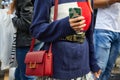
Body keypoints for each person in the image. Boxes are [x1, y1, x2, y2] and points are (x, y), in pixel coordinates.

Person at [30, 0, 101, 79]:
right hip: (57, 67)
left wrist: (93, 63)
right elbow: (36, 29)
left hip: (83, 68)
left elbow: (89, 35)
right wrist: (65, 25)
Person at [7, 0, 40, 79]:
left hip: (26, 43)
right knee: (20, 72)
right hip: (33, 40)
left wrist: (11, 17)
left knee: (27, 74)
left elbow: (27, 24)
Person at [94, 0, 120, 80]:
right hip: (104, 28)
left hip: (118, 30)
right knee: (99, 68)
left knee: (109, 69)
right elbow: (93, 3)